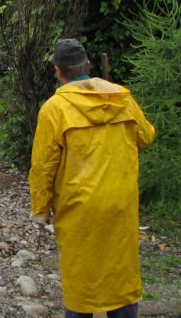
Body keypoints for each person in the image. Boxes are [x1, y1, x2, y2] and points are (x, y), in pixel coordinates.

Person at [28, 39, 156, 317]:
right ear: (87, 64)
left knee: (82, 280)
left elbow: (43, 166)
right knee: (121, 275)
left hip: (79, 208)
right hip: (121, 202)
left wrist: (40, 210)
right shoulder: (121, 97)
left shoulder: (54, 108)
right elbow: (145, 137)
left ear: (58, 71)